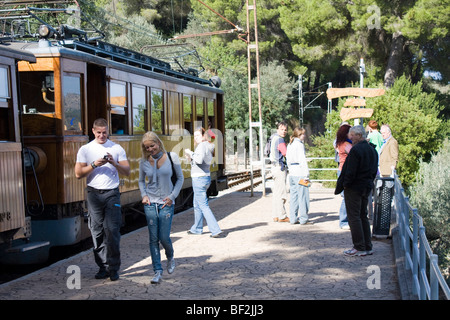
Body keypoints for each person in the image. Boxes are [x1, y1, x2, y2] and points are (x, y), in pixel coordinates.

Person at [75, 118, 130, 281]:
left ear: (108, 131)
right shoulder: (85, 149)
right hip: (93, 194)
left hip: (112, 193)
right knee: (96, 231)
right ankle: (103, 267)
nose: (102, 135)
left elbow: (127, 171)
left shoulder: (116, 148)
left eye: (104, 132)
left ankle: (113, 268)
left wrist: (114, 163)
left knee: (112, 231)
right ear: (93, 131)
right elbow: (78, 174)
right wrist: (94, 165)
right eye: (98, 133)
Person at [138, 131, 184, 284]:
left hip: (166, 202)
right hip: (150, 203)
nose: (150, 149)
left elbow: (180, 178)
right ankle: (157, 271)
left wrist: (172, 197)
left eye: (152, 146)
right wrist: (144, 195)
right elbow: (141, 181)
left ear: (158, 143)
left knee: (164, 237)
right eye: (147, 148)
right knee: (153, 239)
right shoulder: (143, 161)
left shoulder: (172, 157)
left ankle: (170, 256)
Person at [335, 125, 378, 256]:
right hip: (366, 186)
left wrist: (346, 184)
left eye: (352, 135)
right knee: (362, 216)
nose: (350, 137)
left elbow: (350, 171)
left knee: (354, 217)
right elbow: (373, 169)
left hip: (354, 187)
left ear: (359, 136)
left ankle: (359, 246)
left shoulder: (356, 150)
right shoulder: (372, 149)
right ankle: (367, 245)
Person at [185, 127, 222, 237]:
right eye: (194, 136)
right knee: (197, 204)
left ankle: (215, 230)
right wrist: (191, 157)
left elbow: (199, 160)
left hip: (199, 179)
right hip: (205, 177)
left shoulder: (202, 146)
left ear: (203, 136)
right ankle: (197, 228)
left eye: (197, 136)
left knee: (204, 205)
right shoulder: (208, 146)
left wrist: (190, 153)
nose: (195, 138)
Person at [286, 127, 311, 225]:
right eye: (303, 134)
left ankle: (293, 218)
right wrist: (306, 175)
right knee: (303, 196)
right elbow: (302, 160)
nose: (304, 136)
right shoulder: (299, 145)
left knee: (294, 197)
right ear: (299, 135)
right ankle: (303, 218)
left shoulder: (290, 144)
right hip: (300, 172)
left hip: (292, 172)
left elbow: (287, 159)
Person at [270, 121, 289, 222]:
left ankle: (275, 215)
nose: (284, 131)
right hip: (279, 168)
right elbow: (285, 153)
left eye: (285, 130)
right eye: (282, 129)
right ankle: (282, 216)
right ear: (278, 129)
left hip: (273, 167)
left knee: (276, 193)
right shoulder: (280, 140)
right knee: (281, 193)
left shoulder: (273, 138)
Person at [335, 124, 352, 229]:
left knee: (346, 197)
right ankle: (343, 221)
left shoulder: (340, 143)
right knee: (346, 197)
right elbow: (354, 153)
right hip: (345, 171)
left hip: (341, 170)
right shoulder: (346, 145)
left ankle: (345, 220)